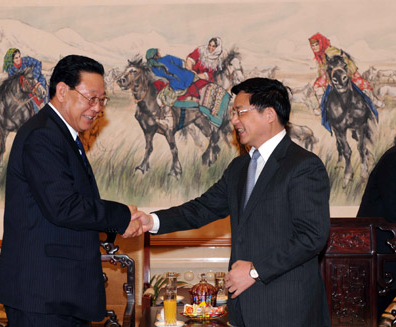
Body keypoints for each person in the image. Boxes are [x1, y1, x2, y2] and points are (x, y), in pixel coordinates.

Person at [133, 77, 331, 326]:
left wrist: (253, 270)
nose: (234, 120)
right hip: (244, 308)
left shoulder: (302, 166)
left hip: (287, 308)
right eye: (234, 112)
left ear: (269, 114)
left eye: (240, 112)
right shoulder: (240, 166)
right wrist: (151, 220)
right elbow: (202, 208)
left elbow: (312, 236)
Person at [0, 55, 143, 327]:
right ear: (62, 91)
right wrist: (122, 216)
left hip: (59, 292)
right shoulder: (43, 135)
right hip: (43, 294)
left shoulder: (60, 135)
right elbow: (64, 206)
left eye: (102, 100)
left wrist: (119, 220)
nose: (97, 108)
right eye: (91, 98)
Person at [357, 139, 396, 316]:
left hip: (387, 255)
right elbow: (393, 209)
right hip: (378, 255)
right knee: (364, 315)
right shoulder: (392, 159)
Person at [308, 33, 383, 116]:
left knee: (360, 85)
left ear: (322, 43)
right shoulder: (319, 55)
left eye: (316, 45)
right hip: (329, 75)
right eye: (313, 46)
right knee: (317, 86)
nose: (314, 47)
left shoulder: (330, 51)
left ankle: (373, 100)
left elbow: (344, 60)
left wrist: (346, 71)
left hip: (344, 71)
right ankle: (321, 106)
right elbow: (322, 69)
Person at [146, 48, 195, 128]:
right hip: (189, 76)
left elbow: (161, 79)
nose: (159, 53)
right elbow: (183, 63)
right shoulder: (167, 58)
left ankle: (168, 120)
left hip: (177, 85)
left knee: (160, 98)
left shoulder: (153, 69)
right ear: (157, 55)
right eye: (158, 52)